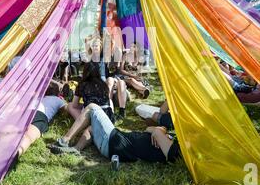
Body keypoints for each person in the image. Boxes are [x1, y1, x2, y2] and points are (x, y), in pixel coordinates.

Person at [50, 103, 181, 165]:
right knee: (91, 128)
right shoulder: (173, 139)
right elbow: (149, 129)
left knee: (92, 107)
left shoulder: (176, 151)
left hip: (114, 141)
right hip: (113, 142)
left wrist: (158, 131)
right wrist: (161, 130)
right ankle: (76, 149)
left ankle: (65, 140)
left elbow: (170, 155)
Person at [66, 62, 115, 152]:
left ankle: (80, 125)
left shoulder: (82, 85)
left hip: (92, 114)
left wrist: (84, 105)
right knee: (91, 128)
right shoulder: (103, 84)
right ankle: (78, 145)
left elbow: (75, 105)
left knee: (70, 106)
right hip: (108, 116)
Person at [16, 82, 69, 158]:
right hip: (40, 115)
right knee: (29, 136)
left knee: (16, 132)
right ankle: (15, 154)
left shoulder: (38, 98)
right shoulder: (58, 100)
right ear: (57, 93)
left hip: (26, 112)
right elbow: (66, 111)